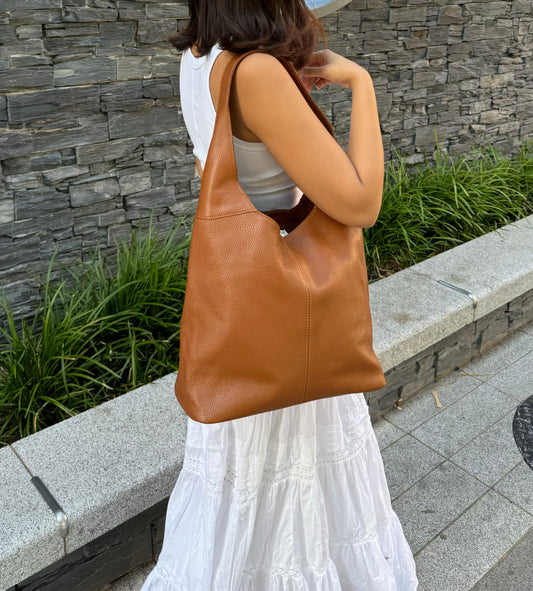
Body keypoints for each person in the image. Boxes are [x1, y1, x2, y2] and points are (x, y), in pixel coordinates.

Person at [141, 1, 419, 589]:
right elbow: (361, 202)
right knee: (300, 493)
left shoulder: (198, 59)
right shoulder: (257, 72)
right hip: (291, 333)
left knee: (240, 498)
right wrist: (360, 83)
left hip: (243, 331)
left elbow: (218, 180)